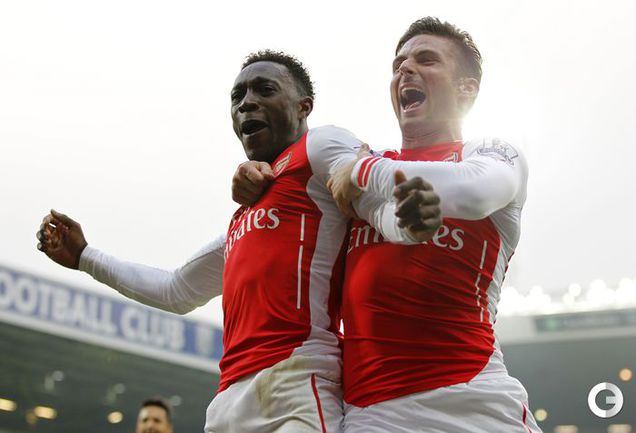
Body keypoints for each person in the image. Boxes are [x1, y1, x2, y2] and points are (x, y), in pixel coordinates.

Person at [36, 50, 441, 433]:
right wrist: (85, 257)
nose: (247, 103)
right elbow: (176, 290)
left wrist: (411, 223)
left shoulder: (319, 145)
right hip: (228, 403)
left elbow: (372, 191)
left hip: (295, 384)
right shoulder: (243, 216)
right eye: (237, 96)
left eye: (265, 90)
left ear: (304, 106)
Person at [327, 17, 542, 433]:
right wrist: (258, 172)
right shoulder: (360, 173)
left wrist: (363, 170)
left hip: (473, 405)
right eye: (398, 64)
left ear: (466, 88)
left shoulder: (490, 153)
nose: (405, 69)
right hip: (370, 416)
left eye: (426, 60)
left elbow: (474, 191)